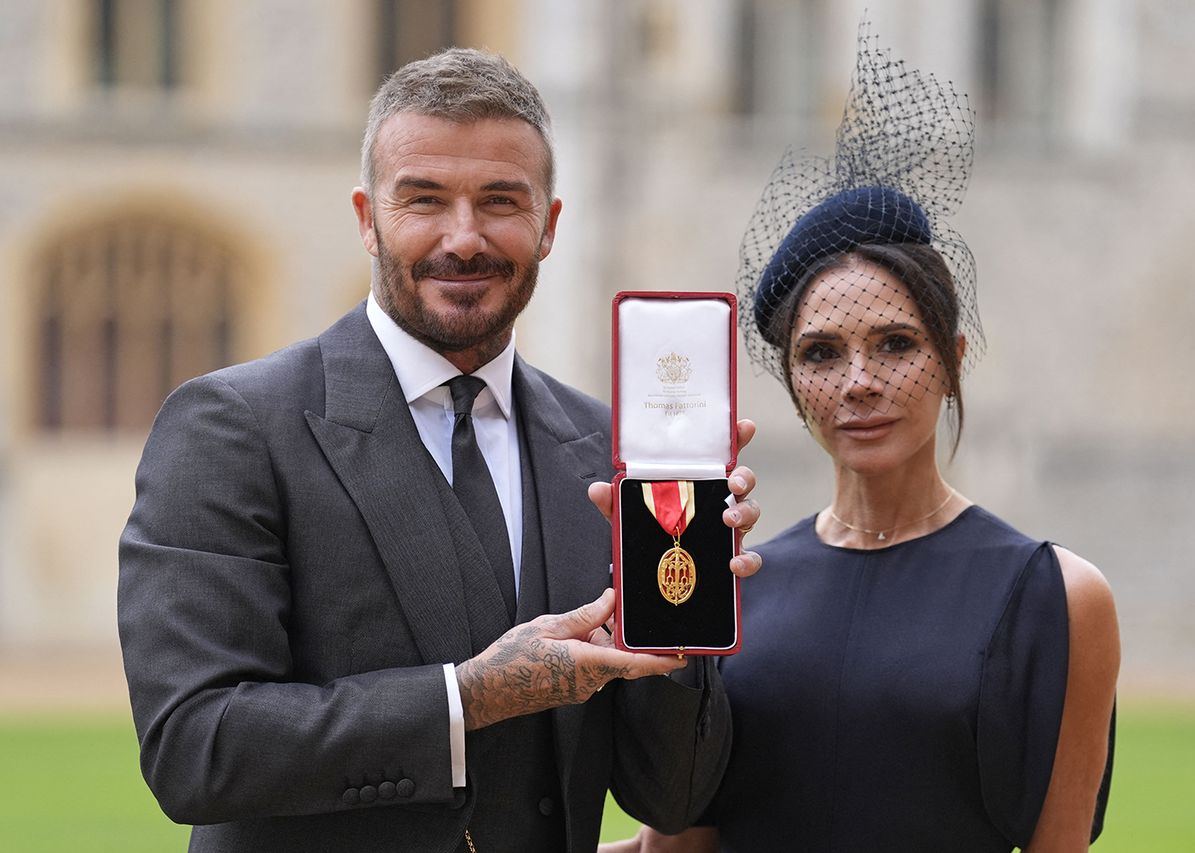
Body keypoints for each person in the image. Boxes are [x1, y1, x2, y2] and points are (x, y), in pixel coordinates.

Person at [118, 47, 761, 853]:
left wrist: (687, 608)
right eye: (424, 199)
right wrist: (468, 698)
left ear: (551, 225)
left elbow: (672, 791)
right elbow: (195, 748)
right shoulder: (234, 426)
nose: (464, 238)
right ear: (366, 217)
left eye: (500, 201)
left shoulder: (607, 450)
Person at [604, 33, 1118, 853]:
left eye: (895, 345)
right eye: (821, 352)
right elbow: (675, 846)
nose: (859, 381)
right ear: (791, 380)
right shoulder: (732, 583)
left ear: (952, 360)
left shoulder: (1057, 597)